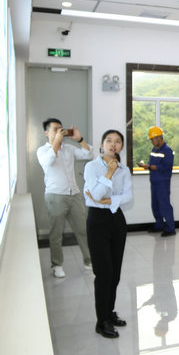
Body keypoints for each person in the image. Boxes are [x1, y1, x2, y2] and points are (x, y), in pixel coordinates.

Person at [83, 129, 132, 339]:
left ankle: (109, 312)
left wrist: (109, 200)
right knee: (103, 273)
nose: (113, 144)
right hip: (97, 221)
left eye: (118, 141)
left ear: (121, 147)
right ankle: (101, 321)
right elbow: (94, 195)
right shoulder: (91, 167)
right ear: (102, 145)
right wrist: (109, 173)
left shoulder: (125, 169)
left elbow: (128, 196)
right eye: (109, 141)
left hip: (117, 220)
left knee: (115, 272)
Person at [36, 118, 93, 278]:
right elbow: (49, 161)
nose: (60, 132)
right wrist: (56, 142)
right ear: (47, 133)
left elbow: (89, 154)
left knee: (82, 230)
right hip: (55, 196)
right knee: (56, 234)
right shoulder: (42, 150)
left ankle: (88, 261)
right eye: (55, 129)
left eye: (61, 129)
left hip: (74, 194)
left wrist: (79, 139)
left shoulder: (69, 148)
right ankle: (57, 265)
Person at [138, 126, 176, 237]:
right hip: (154, 182)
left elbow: (165, 167)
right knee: (155, 205)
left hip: (163, 183)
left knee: (164, 205)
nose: (152, 142)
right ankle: (159, 225)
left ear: (159, 138)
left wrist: (149, 167)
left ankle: (170, 228)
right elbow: (152, 164)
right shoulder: (154, 150)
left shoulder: (168, 150)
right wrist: (146, 165)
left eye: (152, 139)